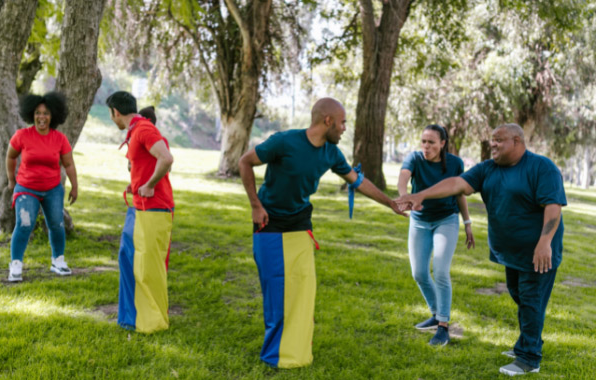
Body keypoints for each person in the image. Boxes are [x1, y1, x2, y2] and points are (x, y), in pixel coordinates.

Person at [239, 97, 406, 368]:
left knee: (302, 289)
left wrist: (390, 203)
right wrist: (255, 205)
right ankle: (275, 354)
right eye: (342, 123)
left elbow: (358, 181)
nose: (343, 129)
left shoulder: (331, 152)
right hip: (268, 221)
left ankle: (297, 352)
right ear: (327, 121)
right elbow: (245, 162)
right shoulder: (284, 142)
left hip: (300, 223)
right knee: (276, 290)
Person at [396, 124, 565, 375]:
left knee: (531, 300)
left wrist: (545, 242)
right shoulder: (488, 168)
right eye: (491, 140)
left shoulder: (541, 167)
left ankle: (529, 358)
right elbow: (456, 184)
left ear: (517, 141)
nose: (493, 144)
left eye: (499, 140)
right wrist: (421, 195)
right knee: (521, 297)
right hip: (511, 253)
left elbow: (553, 207)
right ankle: (527, 344)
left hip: (538, 251)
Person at [398, 124, 475, 346]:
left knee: (440, 270)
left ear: (442, 144)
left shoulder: (454, 163)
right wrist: (405, 198)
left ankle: (443, 326)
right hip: (420, 222)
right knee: (419, 273)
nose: (426, 146)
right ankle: (435, 313)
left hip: (446, 220)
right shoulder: (414, 159)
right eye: (423, 141)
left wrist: (467, 222)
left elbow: (459, 192)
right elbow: (403, 178)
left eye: (431, 142)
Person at [107, 91, 175, 334]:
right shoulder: (135, 131)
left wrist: (149, 185)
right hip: (139, 206)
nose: (112, 119)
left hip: (154, 207)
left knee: (148, 266)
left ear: (115, 111)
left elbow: (166, 159)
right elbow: (146, 163)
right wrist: (137, 183)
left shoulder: (144, 129)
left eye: (111, 115)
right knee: (127, 258)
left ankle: (152, 322)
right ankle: (129, 318)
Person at [6, 91, 78, 282]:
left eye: (46, 113)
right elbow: (11, 156)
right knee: (24, 224)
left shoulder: (59, 139)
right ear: (32, 114)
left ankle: (58, 261)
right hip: (26, 188)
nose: (42, 117)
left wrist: (75, 186)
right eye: (38, 113)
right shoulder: (22, 135)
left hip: (52, 189)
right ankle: (16, 265)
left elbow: (69, 164)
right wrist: (11, 181)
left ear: (53, 115)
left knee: (56, 224)